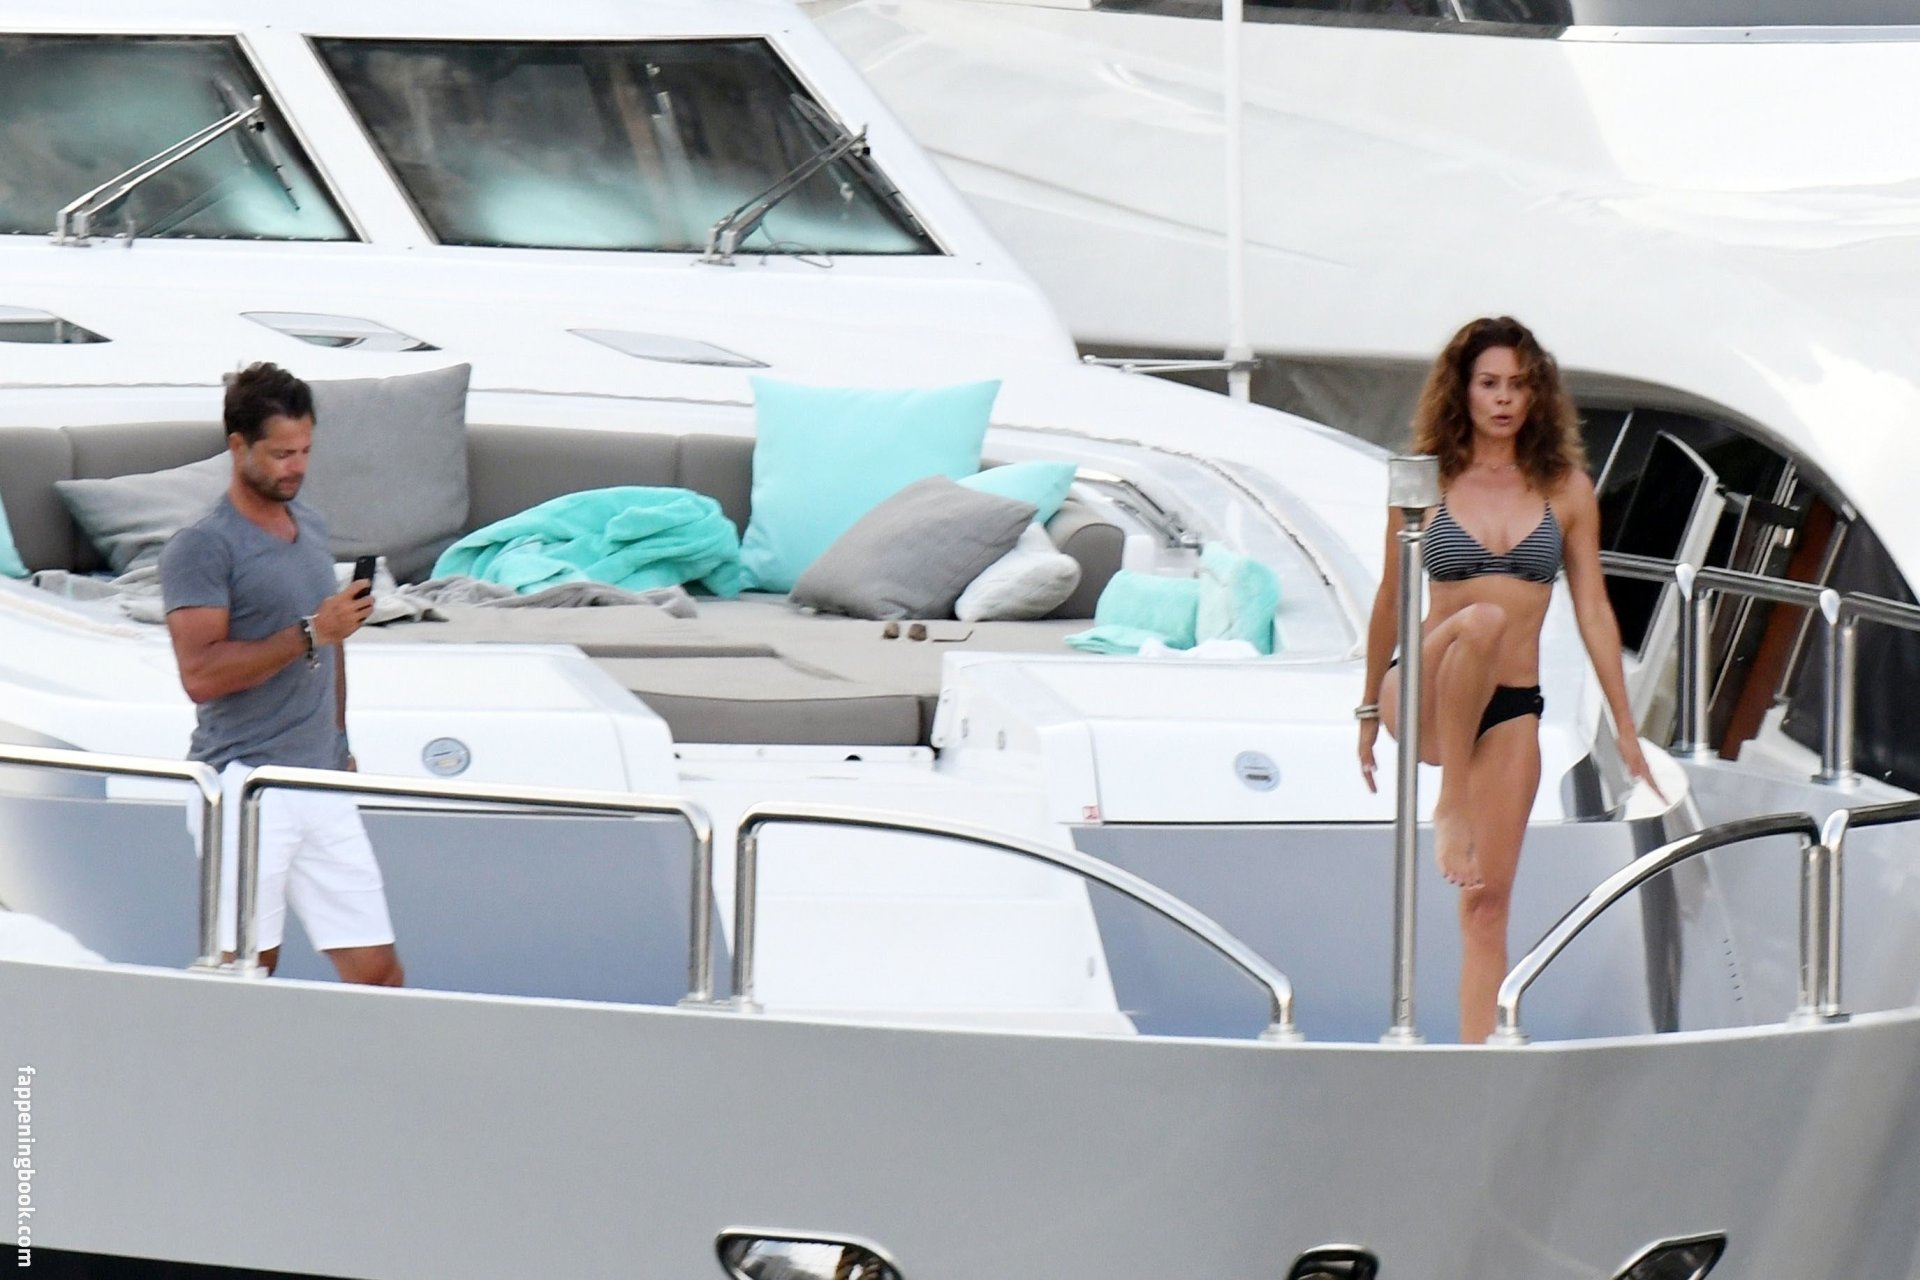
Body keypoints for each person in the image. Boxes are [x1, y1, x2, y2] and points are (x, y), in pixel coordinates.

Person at [1355, 316, 1659, 1043]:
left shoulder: (1567, 490)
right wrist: (1367, 708)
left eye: (1518, 385)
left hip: (1510, 707)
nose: (1503, 399)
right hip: (1424, 687)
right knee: (1483, 620)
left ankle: (1476, 1064)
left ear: (1536, 394)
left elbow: (1593, 609)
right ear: (1462, 390)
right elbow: (1392, 599)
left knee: (1487, 907)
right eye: (1489, 383)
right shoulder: (1425, 480)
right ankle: (1451, 804)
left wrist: (1625, 727)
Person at [160, 362, 403, 986]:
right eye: (281, 454)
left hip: (319, 779)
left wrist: (340, 743)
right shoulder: (202, 546)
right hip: (244, 786)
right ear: (238, 446)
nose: (296, 467)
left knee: (378, 975)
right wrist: (311, 632)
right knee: (247, 976)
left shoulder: (310, 525)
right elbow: (200, 674)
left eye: (305, 451)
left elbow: (332, 643)